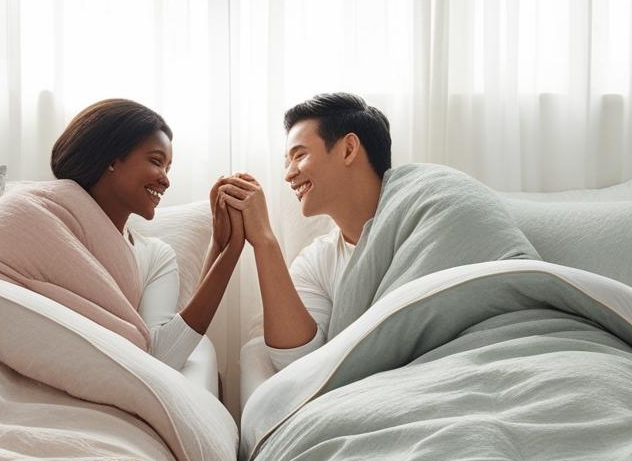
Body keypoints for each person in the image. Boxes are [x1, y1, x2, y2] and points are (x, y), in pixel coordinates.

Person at [51, 99, 245, 370]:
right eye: (156, 161)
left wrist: (230, 250)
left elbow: (161, 356)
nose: (166, 180)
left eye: (168, 168)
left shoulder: (155, 255)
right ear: (111, 159)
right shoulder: (46, 218)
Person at [215, 93, 391, 372]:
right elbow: (296, 361)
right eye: (287, 162)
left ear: (348, 149)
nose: (288, 174)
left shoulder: (423, 211)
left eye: (299, 155)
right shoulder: (317, 260)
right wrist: (263, 241)